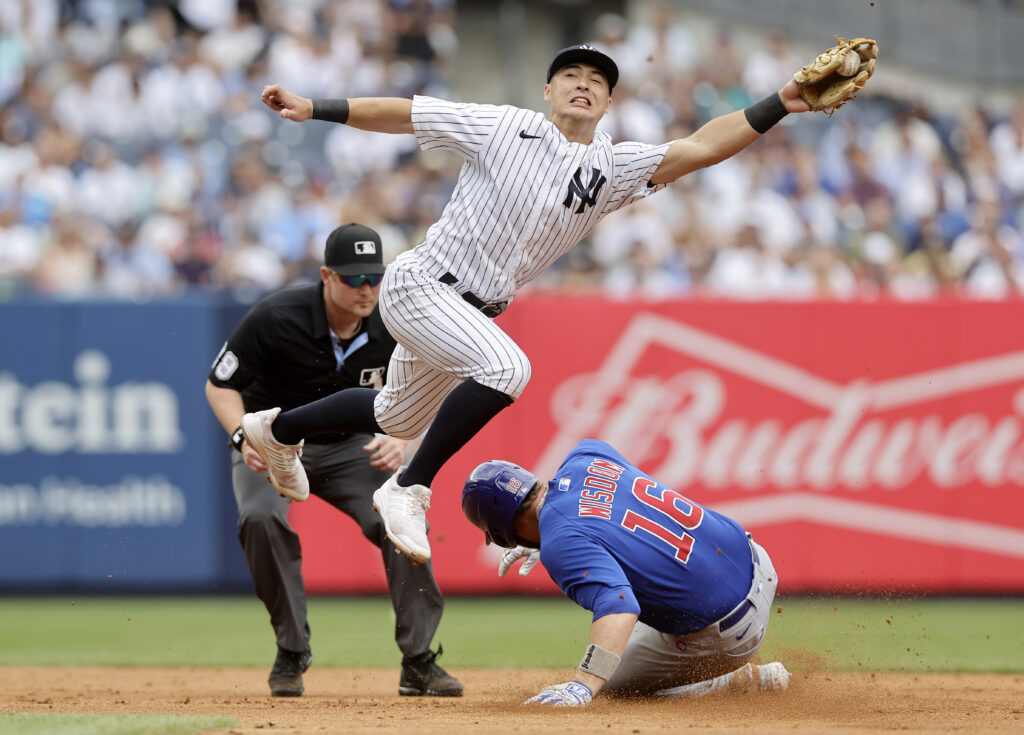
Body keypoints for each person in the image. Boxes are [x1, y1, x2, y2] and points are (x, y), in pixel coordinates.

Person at [242, 43, 813, 566]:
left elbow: (702, 146)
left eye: (597, 79)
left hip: (469, 312)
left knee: (394, 414)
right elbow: (407, 113)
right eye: (570, 75)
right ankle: (409, 488)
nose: (583, 84)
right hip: (422, 285)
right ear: (548, 90)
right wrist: (314, 106)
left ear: (610, 101)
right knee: (508, 369)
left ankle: (279, 429)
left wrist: (782, 102)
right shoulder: (504, 126)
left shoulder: (614, 167)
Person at [206, 223, 463, 698]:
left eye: (374, 277)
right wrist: (243, 435)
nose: (367, 289)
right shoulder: (276, 316)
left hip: (351, 446)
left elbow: (435, 389)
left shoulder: (397, 320)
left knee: (401, 524)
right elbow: (220, 385)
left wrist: (405, 442)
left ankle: (419, 660)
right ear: (326, 275)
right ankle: (291, 649)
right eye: (354, 279)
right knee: (260, 517)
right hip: (272, 441)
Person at [461, 438, 790, 706]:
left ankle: (736, 680)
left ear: (503, 532)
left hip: (732, 633)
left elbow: (620, 606)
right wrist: (553, 533)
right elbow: (611, 515)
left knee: (611, 682)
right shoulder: (586, 454)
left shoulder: (561, 542)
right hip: (756, 560)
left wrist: (584, 686)